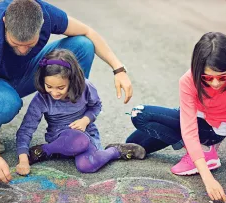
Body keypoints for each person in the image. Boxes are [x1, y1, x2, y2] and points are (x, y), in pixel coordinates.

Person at [0, 0, 132, 183]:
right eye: (15, 43)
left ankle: (69, 121)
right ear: (5, 21)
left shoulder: (44, 13)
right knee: (6, 104)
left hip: (21, 71)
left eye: (30, 44)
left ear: (42, 24)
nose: (22, 50)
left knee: (83, 45)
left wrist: (118, 69)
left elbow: (88, 32)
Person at [123, 32, 226, 203]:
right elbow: (188, 129)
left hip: (213, 130)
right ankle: (202, 150)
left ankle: (205, 151)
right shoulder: (188, 80)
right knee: (134, 142)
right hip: (194, 121)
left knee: (140, 114)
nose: (215, 83)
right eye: (208, 78)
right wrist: (207, 178)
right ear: (198, 69)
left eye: (223, 77)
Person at [15, 49, 145, 175]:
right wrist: (23, 159)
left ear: (72, 80)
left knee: (86, 165)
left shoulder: (86, 87)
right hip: (60, 138)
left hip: (85, 134)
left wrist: (85, 120)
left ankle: (115, 151)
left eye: (60, 87)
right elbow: (26, 129)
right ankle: (45, 151)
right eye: (49, 86)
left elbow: (96, 106)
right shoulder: (42, 98)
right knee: (76, 141)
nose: (54, 93)